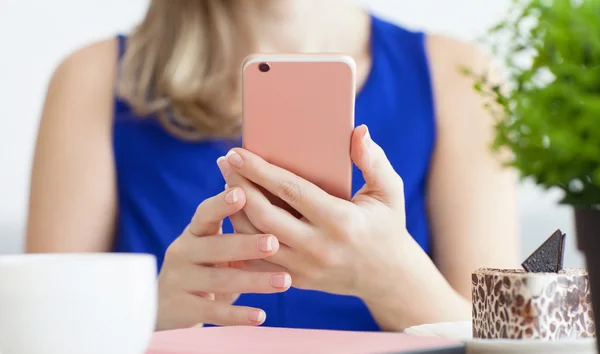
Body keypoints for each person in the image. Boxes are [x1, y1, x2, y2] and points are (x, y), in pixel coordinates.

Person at [25, 0, 519, 332]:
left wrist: (392, 278)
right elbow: (46, 332)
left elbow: (505, 345)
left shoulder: (459, 77)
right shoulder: (93, 77)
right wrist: (150, 321)